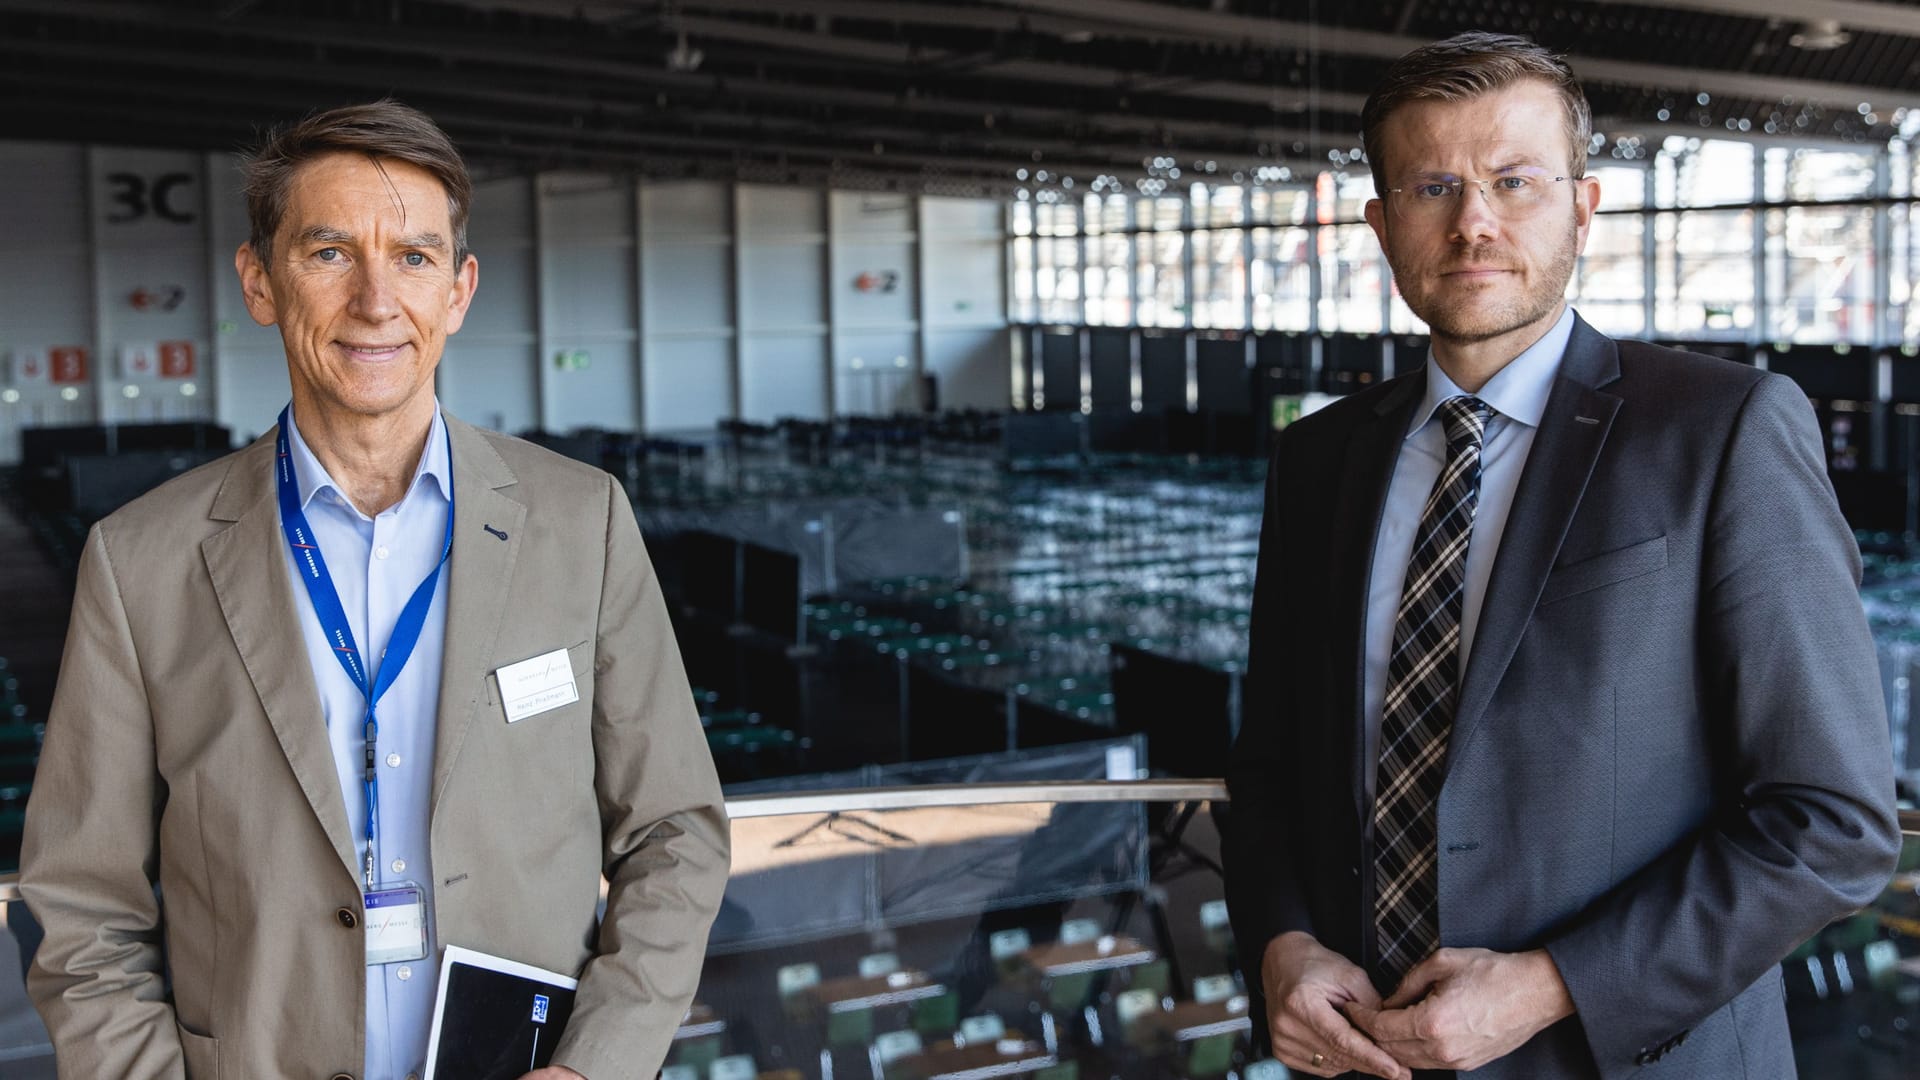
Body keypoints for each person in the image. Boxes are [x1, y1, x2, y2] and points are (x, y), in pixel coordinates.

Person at [1222, 33, 1900, 1080]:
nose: (1474, 221)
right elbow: (1269, 768)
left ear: (1584, 208)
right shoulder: (1319, 461)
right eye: (1432, 185)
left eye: (1514, 181)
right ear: (1381, 223)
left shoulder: (1722, 431)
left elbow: (1833, 822)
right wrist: (1283, 946)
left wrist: (1548, 986)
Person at [20, 101, 731, 1080]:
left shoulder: (584, 523)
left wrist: (598, 1065)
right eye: (328, 254)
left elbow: (675, 833)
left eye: (414, 257)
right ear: (260, 281)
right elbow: (81, 903)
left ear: (459, 289)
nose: (375, 301)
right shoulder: (142, 562)